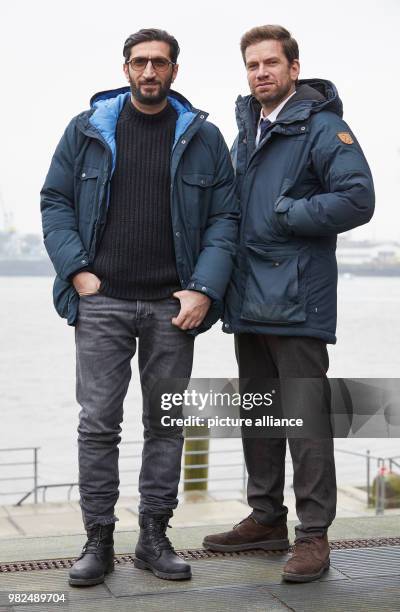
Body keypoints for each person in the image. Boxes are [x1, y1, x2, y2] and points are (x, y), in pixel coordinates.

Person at [40, 28, 238, 586]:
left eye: (160, 63)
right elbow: (55, 200)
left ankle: (154, 537)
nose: (149, 72)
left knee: (166, 425)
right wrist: (77, 271)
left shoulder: (204, 137)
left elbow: (226, 219)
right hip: (101, 301)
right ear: (125, 68)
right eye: (140, 62)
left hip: (173, 307)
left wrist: (203, 288)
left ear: (176, 71)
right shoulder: (85, 131)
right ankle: (97, 539)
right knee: (98, 424)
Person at [203, 25, 374, 583]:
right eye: (252, 65)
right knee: (259, 414)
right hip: (248, 299)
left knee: (305, 420)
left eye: (271, 63)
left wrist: (287, 215)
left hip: (297, 300)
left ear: (294, 68)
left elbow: (357, 198)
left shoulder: (323, 127)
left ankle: (314, 535)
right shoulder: (247, 130)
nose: (260, 74)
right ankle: (266, 516)